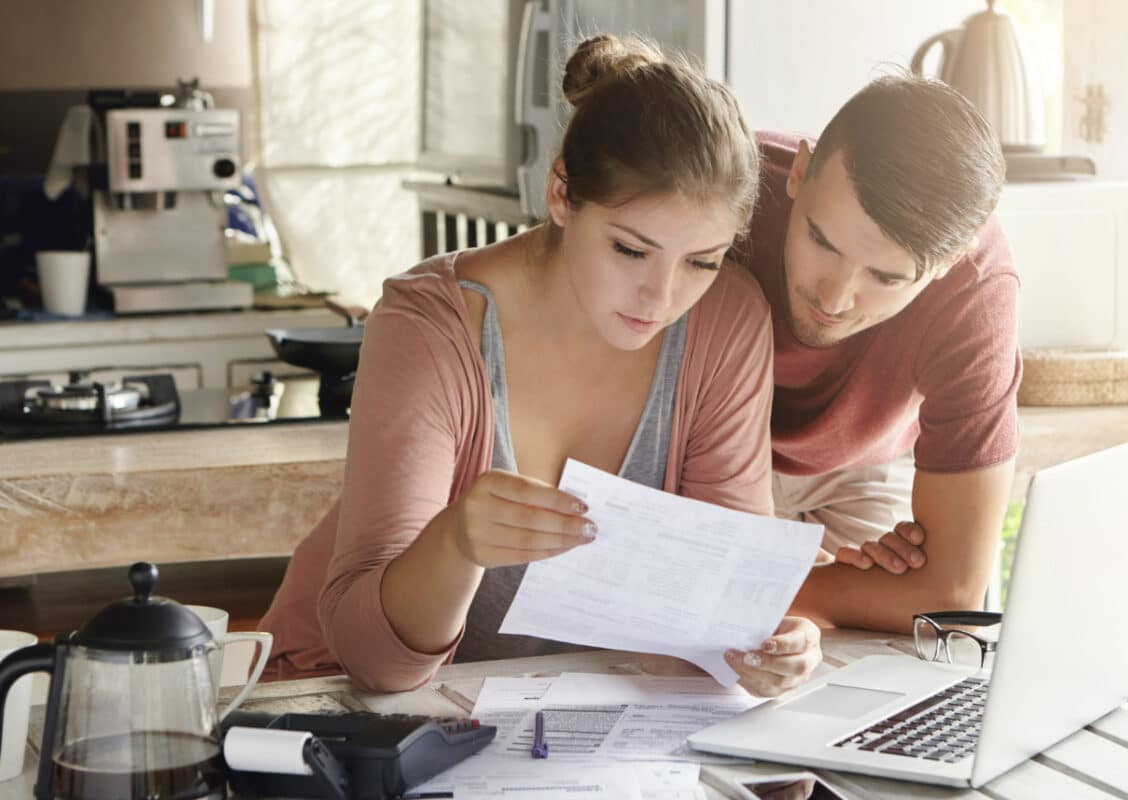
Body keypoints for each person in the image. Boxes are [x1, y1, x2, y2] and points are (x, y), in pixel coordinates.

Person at [258, 35, 822, 697]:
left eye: (701, 260)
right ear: (560, 193)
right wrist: (456, 544)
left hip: (557, 723)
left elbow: (708, 616)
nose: (662, 296)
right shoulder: (429, 326)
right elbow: (374, 664)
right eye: (630, 250)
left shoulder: (727, 320)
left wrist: (764, 644)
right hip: (339, 708)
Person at [731, 76, 1021, 633]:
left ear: (948, 263)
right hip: (709, 453)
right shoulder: (726, 186)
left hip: (860, 467)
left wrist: (753, 583)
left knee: (884, 665)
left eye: (886, 276)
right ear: (798, 171)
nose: (833, 298)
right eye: (821, 240)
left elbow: (952, 597)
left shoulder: (977, 291)